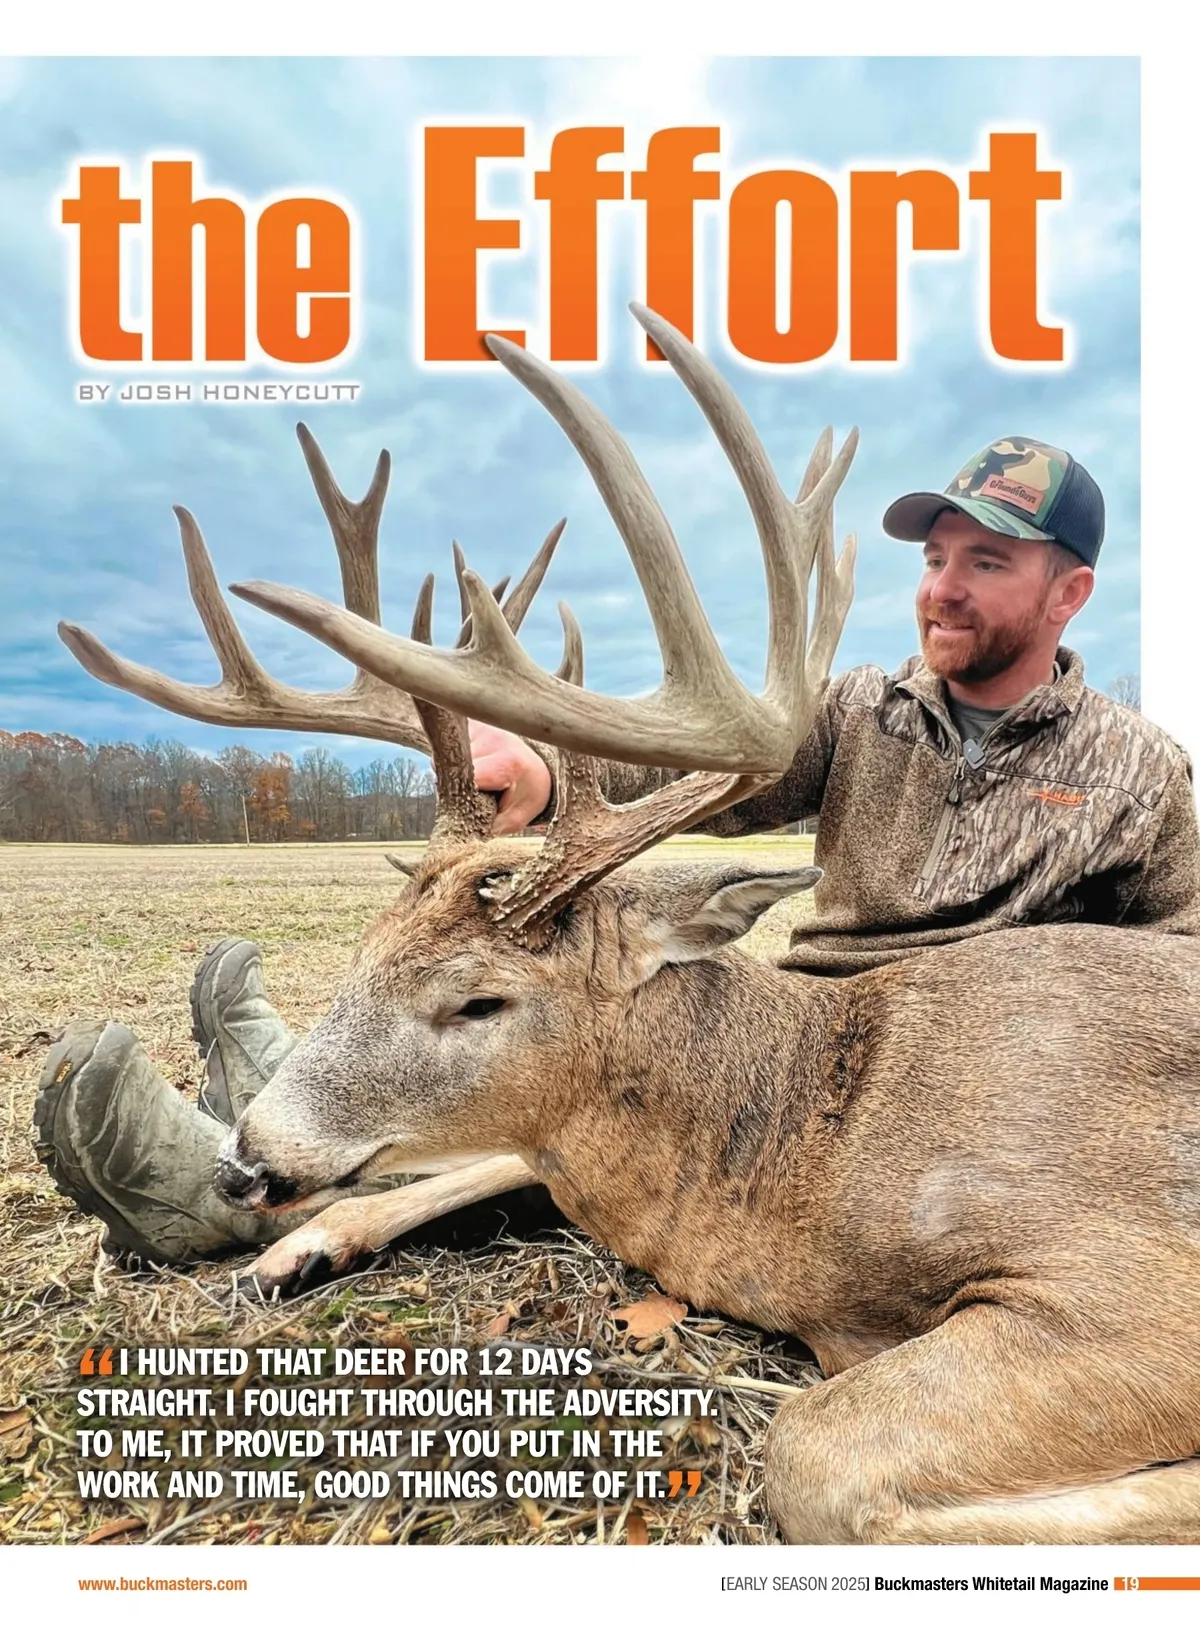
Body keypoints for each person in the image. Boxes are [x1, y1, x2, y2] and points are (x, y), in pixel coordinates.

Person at [35, 435, 1200, 1264]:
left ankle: (248, 1191)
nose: (942, 590)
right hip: (805, 1035)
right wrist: (544, 777)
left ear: (1070, 592)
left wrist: (1057, 1039)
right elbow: (712, 775)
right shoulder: (860, 709)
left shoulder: (1138, 768)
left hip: (982, 1081)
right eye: (936, 558)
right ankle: (298, 1094)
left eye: (986, 563)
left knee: (580, 1090)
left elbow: (1180, 978)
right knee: (554, 987)